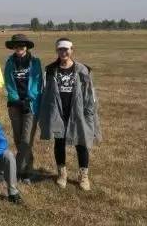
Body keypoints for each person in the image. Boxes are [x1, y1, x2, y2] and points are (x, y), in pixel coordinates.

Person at [39, 38, 101, 191]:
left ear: (72, 50)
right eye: (60, 49)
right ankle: (62, 174)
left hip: (77, 112)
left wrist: (89, 112)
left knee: (82, 143)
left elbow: (89, 94)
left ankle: (83, 176)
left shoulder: (82, 70)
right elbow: (45, 93)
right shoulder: (51, 70)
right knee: (59, 143)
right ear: (57, 51)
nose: (63, 52)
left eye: (66, 49)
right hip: (58, 113)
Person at [3, 33, 43, 183]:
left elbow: (37, 84)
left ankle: (18, 170)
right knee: (19, 139)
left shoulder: (35, 62)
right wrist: (17, 99)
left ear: (26, 47)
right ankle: (28, 169)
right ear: (13, 47)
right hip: (15, 106)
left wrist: (28, 99)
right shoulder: (9, 62)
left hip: (30, 106)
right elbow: (8, 83)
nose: (19, 47)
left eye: (22, 45)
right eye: (16, 45)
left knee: (27, 139)